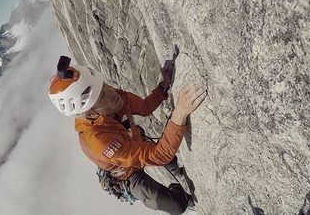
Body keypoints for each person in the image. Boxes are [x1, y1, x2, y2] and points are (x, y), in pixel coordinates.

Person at [48, 56, 208, 214]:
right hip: (127, 172)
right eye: (101, 96)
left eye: (104, 85)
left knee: (169, 159)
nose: (111, 92)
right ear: (90, 115)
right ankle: (184, 195)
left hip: (130, 140)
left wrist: (163, 86)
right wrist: (180, 113)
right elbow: (160, 155)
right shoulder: (100, 141)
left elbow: (144, 107)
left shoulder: (111, 98)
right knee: (176, 205)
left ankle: (178, 172)